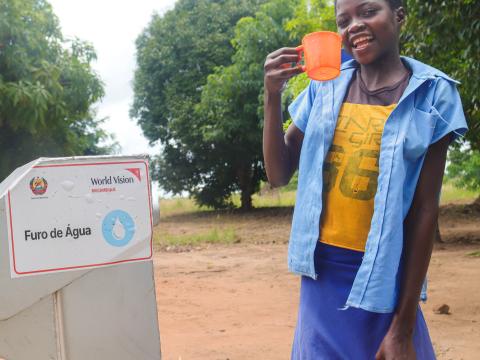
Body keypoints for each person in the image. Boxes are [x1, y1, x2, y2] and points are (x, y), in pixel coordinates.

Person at [263, 0, 468, 359]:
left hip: (388, 275)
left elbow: (424, 211)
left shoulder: (433, 93)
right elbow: (278, 173)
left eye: (368, 11)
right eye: (344, 20)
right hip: (322, 274)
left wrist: (403, 328)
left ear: (399, 15)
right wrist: (272, 95)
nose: (354, 25)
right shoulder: (323, 88)